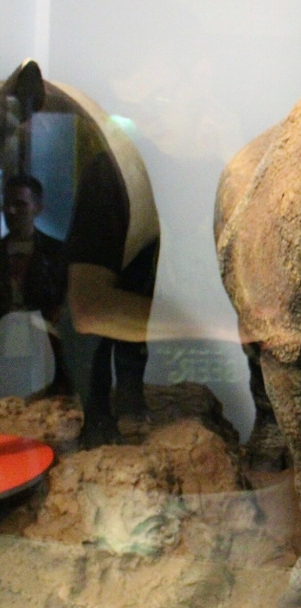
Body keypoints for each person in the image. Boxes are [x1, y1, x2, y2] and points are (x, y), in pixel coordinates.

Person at [63, 150, 159, 448]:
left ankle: (125, 405)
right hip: (93, 314)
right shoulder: (112, 171)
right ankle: (100, 419)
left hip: (131, 289)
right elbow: (88, 310)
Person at [0, 174, 70, 396]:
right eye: (7, 204)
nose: (10, 211)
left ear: (37, 208)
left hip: (44, 346)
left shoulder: (58, 254)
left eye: (19, 204)